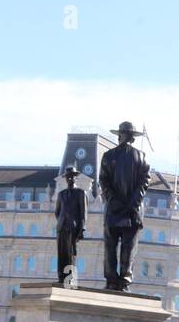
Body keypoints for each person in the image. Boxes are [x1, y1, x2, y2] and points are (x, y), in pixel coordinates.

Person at [98, 122, 150, 290]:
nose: (120, 137)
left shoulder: (108, 156)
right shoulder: (141, 157)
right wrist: (132, 204)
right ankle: (124, 281)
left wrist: (114, 201)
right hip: (133, 211)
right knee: (129, 247)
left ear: (122, 136)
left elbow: (103, 182)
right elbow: (144, 183)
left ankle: (112, 280)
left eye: (121, 134)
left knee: (111, 246)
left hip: (114, 210)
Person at [54, 165, 87, 284]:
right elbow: (57, 212)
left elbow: (83, 213)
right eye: (68, 177)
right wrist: (62, 221)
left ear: (75, 178)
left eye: (72, 177)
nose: (69, 179)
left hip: (73, 228)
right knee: (61, 253)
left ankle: (70, 278)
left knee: (71, 253)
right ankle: (61, 277)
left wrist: (82, 229)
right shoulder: (61, 194)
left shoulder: (80, 193)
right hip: (61, 227)